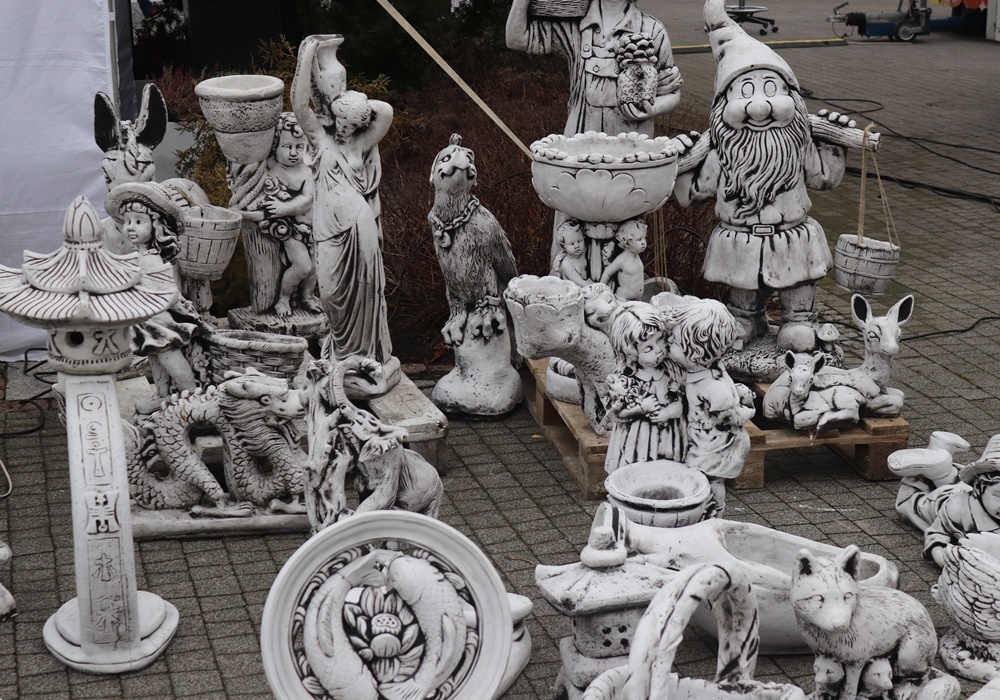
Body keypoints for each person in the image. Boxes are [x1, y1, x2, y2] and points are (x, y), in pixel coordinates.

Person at [674, 0, 860, 352]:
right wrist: (680, 163)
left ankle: (799, 318)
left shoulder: (797, 142)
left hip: (792, 236)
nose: (760, 107)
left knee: (798, 290)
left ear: (792, 96)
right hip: (741, 240)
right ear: (723, 105)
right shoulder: (722, 152)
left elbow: (823, 179)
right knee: (743, 292)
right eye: (745, 93)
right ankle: (746, 318)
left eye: (771, 90)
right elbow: (692, 194)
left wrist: (835, 144)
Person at [291, 37, 399, 388]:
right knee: (331, 293)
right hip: (328, 228)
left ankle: (366, 358)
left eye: (350, 123)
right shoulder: (319, 139)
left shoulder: (361, 144)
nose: (343, 127)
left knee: (366, 292)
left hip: (358, 224)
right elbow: (299, 105)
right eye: (341, 120)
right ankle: (342, 354)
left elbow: (385, 112)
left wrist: (352, 101)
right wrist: (308, 54)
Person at [506, 0, 682, 137]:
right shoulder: (574, 26)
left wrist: (653, 109)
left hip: (632, 147)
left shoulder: (652, 29)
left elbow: (673, 93)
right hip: (580, 142)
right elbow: (516, 39)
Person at [106, 182, 208, 413]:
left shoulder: (151, 259)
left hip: (158, 320)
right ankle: (162, 394)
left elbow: (170, 294)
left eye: (139, 221)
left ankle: (192, 395)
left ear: (157, 226)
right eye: (127, 221)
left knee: (169, 357)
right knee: (155, 357)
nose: (131, 227)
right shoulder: (140, 255)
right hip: (146, 320)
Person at [667, 298, 755, 513]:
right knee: (701, 476)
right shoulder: (701, 370)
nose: (668, 341)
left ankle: (715, 512)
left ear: (695, 353)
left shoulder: (712, 387)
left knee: (712, 479)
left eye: (674, 340)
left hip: (717, 444)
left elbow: (732, 417)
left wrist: (749, 409)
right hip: (704, 437)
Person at [604, 301, 685, 473]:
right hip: (636, 442)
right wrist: (640, 409)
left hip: (667, 439)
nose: (658, 350)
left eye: (660, 340)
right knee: (635, 474)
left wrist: (668, 412)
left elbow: (681, 402)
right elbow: (614, 414)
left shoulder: (671, 371)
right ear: (631, 354)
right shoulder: (623, 382)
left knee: (667, 472)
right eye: (648, 348)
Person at [258, 112, 320, 317]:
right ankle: (283, 298)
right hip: (289, 229)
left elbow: (307, 199)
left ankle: (307, 297)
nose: (293, 152)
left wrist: (284, 208)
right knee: (302, 266)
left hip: (313, 227)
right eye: (287, 146)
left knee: (314, 269)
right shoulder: (270, 168)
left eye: (299, 147)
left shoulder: (306, 171)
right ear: (276, 145)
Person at [599, 219, 647, 300]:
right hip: (623, 300)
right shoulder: (622, 259)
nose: (643, 242)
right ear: (627, 243)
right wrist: (600, 289)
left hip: (637, 300)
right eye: (639, 239)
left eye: (644, 238)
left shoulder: (636, 255)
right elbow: (608, 273)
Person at [550, 219, 589, 286]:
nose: (577, 246)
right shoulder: (567, 264)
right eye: (572, 244)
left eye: (579, 241)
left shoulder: (582, 254)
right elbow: (579, 282)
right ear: (563, 246)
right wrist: (597, 286)